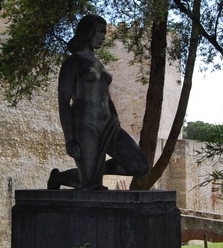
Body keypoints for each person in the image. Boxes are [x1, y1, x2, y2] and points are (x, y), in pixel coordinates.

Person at [47, 14, 149, 190]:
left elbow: (106, 97)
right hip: (86, 125)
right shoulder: (73, 62)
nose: (103, 37)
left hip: (109, 124)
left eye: (104, 32)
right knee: (90, 185)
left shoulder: (100, 64)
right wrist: (70, 139)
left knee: (140, 165)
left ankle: (93, 170)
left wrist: (116, 118)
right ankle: (60, 178)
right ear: (88, 32)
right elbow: (64, 102)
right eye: (100, 32)